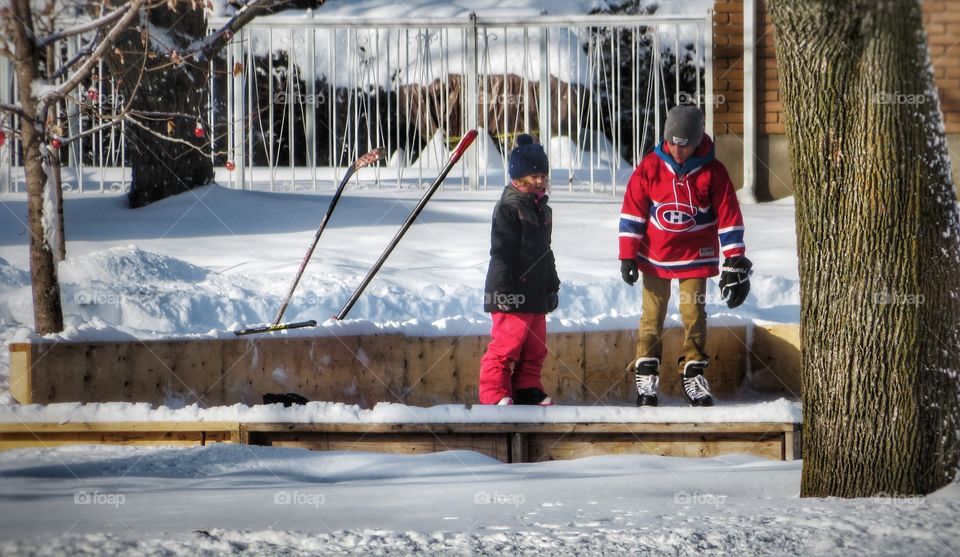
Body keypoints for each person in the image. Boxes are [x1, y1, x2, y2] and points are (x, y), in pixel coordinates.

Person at [618, 105, 752, 407]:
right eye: (674, 144)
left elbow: (729, 216)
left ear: (697, 140)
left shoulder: (712, 172)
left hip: (696, 255)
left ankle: (693, 371)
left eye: (686, 145)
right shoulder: (650, 167)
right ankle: (647, 372)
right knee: (652, 315)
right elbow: (632, 212)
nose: (679, 151)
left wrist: (735, 259)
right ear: (667, 139)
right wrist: (628, 255)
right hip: (655, 254)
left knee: (694, 314)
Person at [479, 134, 560, 406]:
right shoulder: (509, 208)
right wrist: (502, 290)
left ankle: (526, 388)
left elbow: (546, 253)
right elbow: (500, 253)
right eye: (534, 176)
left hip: (534, 293)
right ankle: (494, 394)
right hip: (510, 293)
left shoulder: (542, 210)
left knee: (535, 348)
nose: (539, 181)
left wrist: (551, 285)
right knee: (506, 346)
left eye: (542, 176)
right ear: (520, 177)